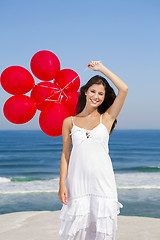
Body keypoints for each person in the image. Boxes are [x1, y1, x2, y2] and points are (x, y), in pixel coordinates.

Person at [58, 61, 128, 240]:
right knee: (75, 232)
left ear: (105, 98)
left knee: (102, 232)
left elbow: (124, 89)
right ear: (85, 91)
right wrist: (61, 184)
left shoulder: (107, 118)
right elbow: (66, 154)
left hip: (103, 185)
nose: (96, 96)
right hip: (77, 184)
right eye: (93, 91)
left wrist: (102, 69)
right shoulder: (69, 121)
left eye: (101, 94)